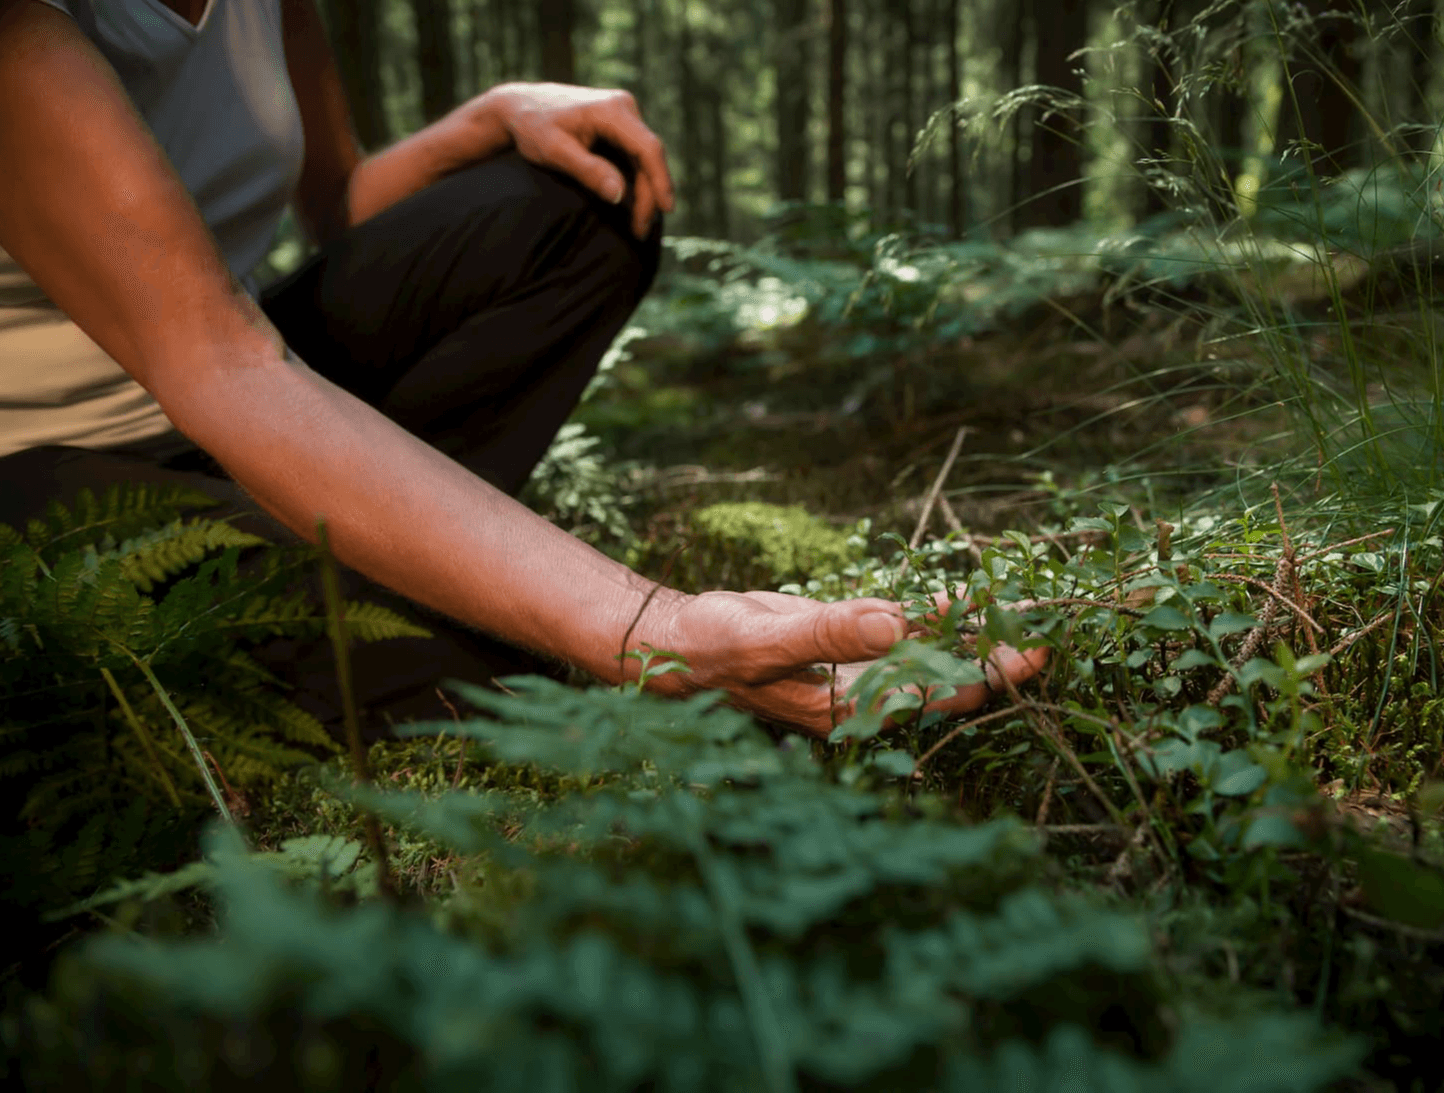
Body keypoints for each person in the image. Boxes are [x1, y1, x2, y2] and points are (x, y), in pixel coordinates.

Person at [0, 0, 1047, 740]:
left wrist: (493, 116)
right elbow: (222, 362)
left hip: (249, 374)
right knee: (488, 669)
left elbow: (342, 214)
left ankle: (388, 541)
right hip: (57, 462)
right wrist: (656, 628)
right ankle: (414, 579)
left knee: (587, 200)